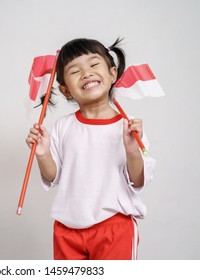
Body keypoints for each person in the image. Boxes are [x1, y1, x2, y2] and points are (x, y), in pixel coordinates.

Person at [26, 38, 156, 260]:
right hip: (67, 228)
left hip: (113, 227)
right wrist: (43, 154)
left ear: (113, 74)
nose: (86, 73)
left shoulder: (127, 125)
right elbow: (53, 176)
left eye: (94, 65)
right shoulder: (63, 126)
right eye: (75, 71)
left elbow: (137, 180)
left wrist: (132, 150)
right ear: (66, 90)